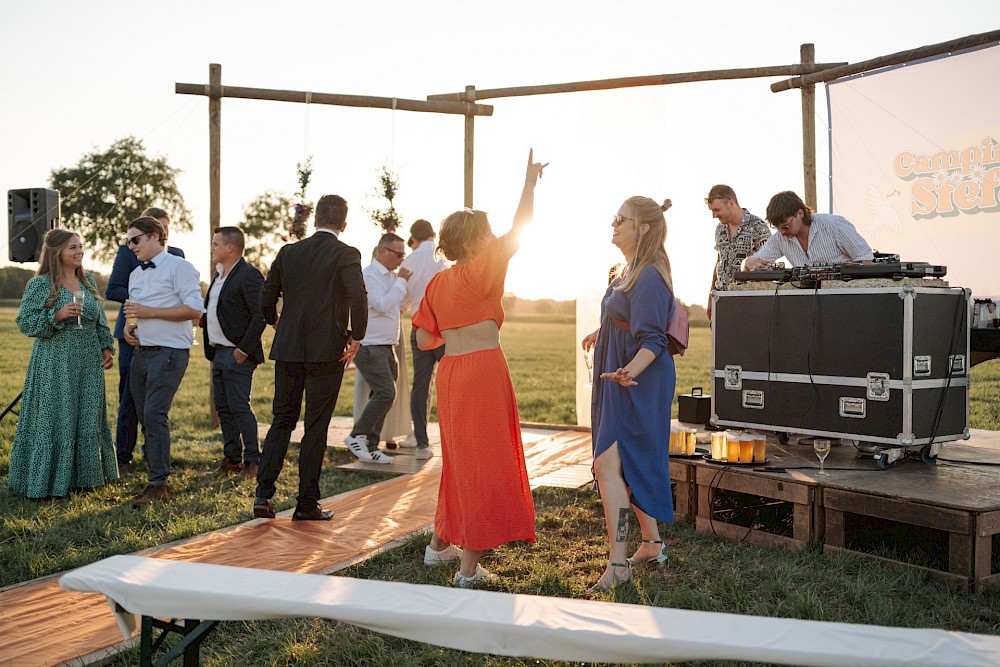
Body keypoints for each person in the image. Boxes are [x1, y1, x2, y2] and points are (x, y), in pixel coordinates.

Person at [413, 149, 546, 587]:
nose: (493, 239)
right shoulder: (482, 268)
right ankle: (468, 570)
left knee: (458, 459)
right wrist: (528, 185)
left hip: (450, 373)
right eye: (486, 234)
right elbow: (519, 232)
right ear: (471, 242)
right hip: (484, 371)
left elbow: (422, 338)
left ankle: (439, 547)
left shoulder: (437, 282)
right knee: (482, 463)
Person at [581, 196, 676, 593]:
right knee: (622, 465)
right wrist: (601, 334)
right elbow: (623, 319)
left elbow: (653, 340)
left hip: (637, 381)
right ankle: (651, 544)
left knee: (609, 467)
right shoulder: (628, 270)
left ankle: (618, 564)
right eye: (614, 217)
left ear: (644, 228)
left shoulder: (650, 275)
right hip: (619, 375)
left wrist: (626, 372)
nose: (614, 224)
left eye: (623, 219)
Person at [254, 194, 368, 521]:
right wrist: (356, 335)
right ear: (344, 224)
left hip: (288, 348)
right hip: (326, 350)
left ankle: (263, 495)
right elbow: (358, 297)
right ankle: (306, 504)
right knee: (315, 426)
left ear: (315, 219)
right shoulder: (346, 253)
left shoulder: (289, 252)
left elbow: (267, 295)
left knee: (282, 420)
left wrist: (277, 322)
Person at [8, 229, 118, 499]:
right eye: (73, 248)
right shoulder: (41, 284)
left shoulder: (88, 281)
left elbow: (99, 319)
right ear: (57, 252)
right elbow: (25, 322)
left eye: (80, 247)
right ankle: (48, 481)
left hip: (88, 362)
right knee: (55, 417)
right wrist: (56, 315)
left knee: (87, 416)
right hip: (55, 363)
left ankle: (85, 478)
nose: (79, 251)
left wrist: (106, 347)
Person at [122, 217, 204, 506]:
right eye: (128, 240)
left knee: (155, 415)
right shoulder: (136, 274)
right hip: (141, 353)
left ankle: (160, 486)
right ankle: (156, 480)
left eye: (136, 239)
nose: (130, 246)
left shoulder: (180, 267)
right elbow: (135, 312)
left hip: (169, 354)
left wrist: (148, 311)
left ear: (156, 236)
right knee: (146, 417)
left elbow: (195, 309)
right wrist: (129, 326)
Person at [106, 206, 185, 476]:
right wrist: (145, 298)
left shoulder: (177, 258)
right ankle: (123, 457)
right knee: (130, 397)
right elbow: (113, 288)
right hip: (132, 333)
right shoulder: (128, 250)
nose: (162, 234)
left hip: (166, 338)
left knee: (156, 404)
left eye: (166, 229)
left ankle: (154, 458)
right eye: (156, 229)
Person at [201, 227, 267, 479]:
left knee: (239, 406)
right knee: (223, 408)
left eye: (216, 244)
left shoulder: (249, 275)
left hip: (238, 353)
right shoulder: (218, 276)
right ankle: (232, 459)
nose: (212, 248)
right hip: (217, 352)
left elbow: (261, 314)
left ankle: (254, 461)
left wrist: (244, 350)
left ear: (230, 247)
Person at [344, 233, 411, 464]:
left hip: (386, 345)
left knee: (381, 394)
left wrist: (403, 288)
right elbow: (382, 304)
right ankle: (355, 436)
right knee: (386, 393)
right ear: (383, 251)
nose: (402, 259)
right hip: (370, 345)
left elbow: (397, 304)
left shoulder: (391, 277)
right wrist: (402, 282)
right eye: (399, 254)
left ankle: (372, 446)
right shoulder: (369, 275)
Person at [402, 219, 446, 459]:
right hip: (445, 328)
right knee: (451, 382)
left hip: (419, 327)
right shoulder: (445, 256)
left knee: (421, 384)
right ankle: (454, 440)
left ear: (414, 237)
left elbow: (404, 298)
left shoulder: (409, 260)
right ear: (433, 234)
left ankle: (422, 443)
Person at [744, 191, 874, 270]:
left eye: (785, 226)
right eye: (777, 228)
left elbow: (865, 258)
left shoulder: (834, 225)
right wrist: (747, 263)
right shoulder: (779, 238)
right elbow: (752, 264)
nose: (782, 232)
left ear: (800, 213)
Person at [705, 184, 769, 319]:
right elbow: (719, 261)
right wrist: (711, 294)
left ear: (731, 203)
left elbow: (768, 268)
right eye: (712, 210)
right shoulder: (719, 229)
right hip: (721, 301)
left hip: (749, 304)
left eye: (717, 210)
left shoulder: (759, 227)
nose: (713, 215)